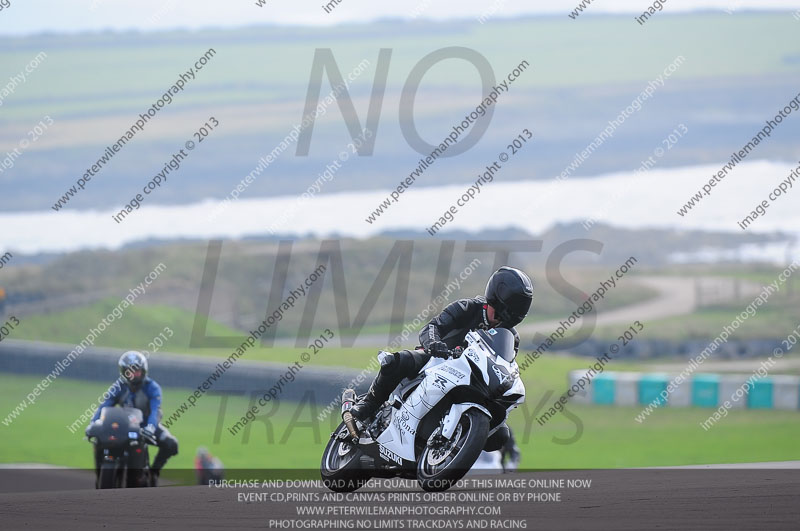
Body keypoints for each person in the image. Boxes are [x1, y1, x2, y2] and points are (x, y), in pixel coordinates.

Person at [350, 266, 534, 445]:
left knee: (501, 435)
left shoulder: (511, 338)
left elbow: (504, 365)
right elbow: (432, 327)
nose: (499, 321)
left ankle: (452, 446)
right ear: (492, 299)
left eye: (505, 318)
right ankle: (368, 404)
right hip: (437, 361)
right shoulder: (467, 307)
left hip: (472, 379)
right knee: (397, 361)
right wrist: (434, 343)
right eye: (498, 314)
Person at [87, 351, 178, 482]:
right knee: (99, 440)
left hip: (146, 426)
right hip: (125, 426)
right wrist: (94, 422)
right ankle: (100, 474)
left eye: (137, 371)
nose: (133, 375)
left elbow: (155, 411)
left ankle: (154, 472)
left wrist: (151, 428)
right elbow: (104, 405)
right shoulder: (118, 387)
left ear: (144, 371)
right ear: (123, 372)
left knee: (171, 444)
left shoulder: (152, 388)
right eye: (128, 371)